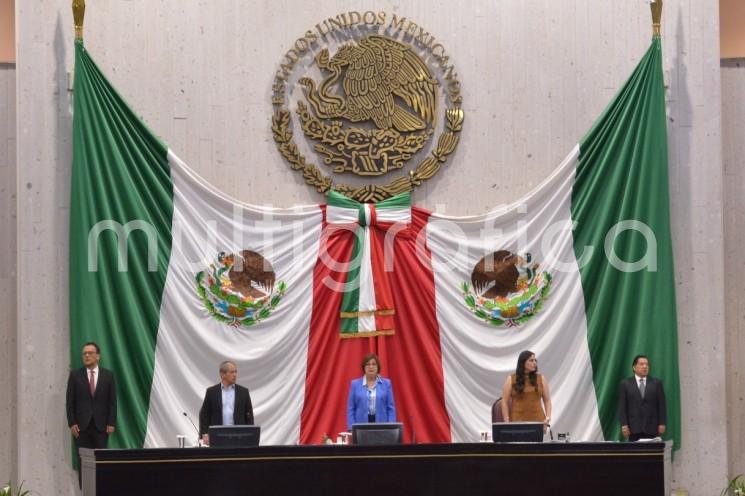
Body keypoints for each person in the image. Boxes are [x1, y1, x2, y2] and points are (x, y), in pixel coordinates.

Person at [66, 342, 117, 487]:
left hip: (102, 427)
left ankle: (102, 489)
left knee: (102, 462)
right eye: (84, 353)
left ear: (98, 356)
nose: (87, 356)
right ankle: (86, 491)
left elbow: (112, 402)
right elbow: (70, 402)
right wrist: (72, 423)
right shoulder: (75, 375)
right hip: (81, 428)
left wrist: (111, 422)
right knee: (84, 463)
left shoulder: (108, 375)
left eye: (90, 353)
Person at [199, 360, 254, 445]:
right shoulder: (212, 392)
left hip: (239, 436)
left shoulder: (243, 392)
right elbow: (204, 414)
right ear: (222, 374)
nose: (235, 375)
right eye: (232, 372)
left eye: (236, 372)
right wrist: (205, 434)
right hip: (217, 436)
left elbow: (249, 416)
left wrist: (250, 435)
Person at [500, 350, 552, 431]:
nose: (534, 363)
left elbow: (547, 400)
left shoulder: (541, 378)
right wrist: (506, 421)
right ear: (522, 363)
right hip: (516, 423)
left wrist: (547, 418)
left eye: (535, 360)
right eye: (531, 360)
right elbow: (504, 401)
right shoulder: (511, 379)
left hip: (538, 422)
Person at [619, 354, 667, 441]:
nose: (645, 366)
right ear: (634, 367)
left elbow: (661, 405)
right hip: (633, 428)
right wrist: (624, 424)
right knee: (635, 454)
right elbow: (623, 406)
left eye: (647, 364)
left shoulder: (656, 383)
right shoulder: (625, 384)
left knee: (651, 453)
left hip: (652, 428)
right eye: (641, 364)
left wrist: (662, 423)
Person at [347, 353, 397, 431]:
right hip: (360, 427)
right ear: (364, 367)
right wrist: (351, 428)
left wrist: (391, 427)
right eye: (368, 364)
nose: (371, 367)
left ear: (378, 367)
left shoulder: (386, 384)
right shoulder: (355, 384)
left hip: (382, 426)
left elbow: (390, 408)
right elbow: (351, 408)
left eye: (374, 364)